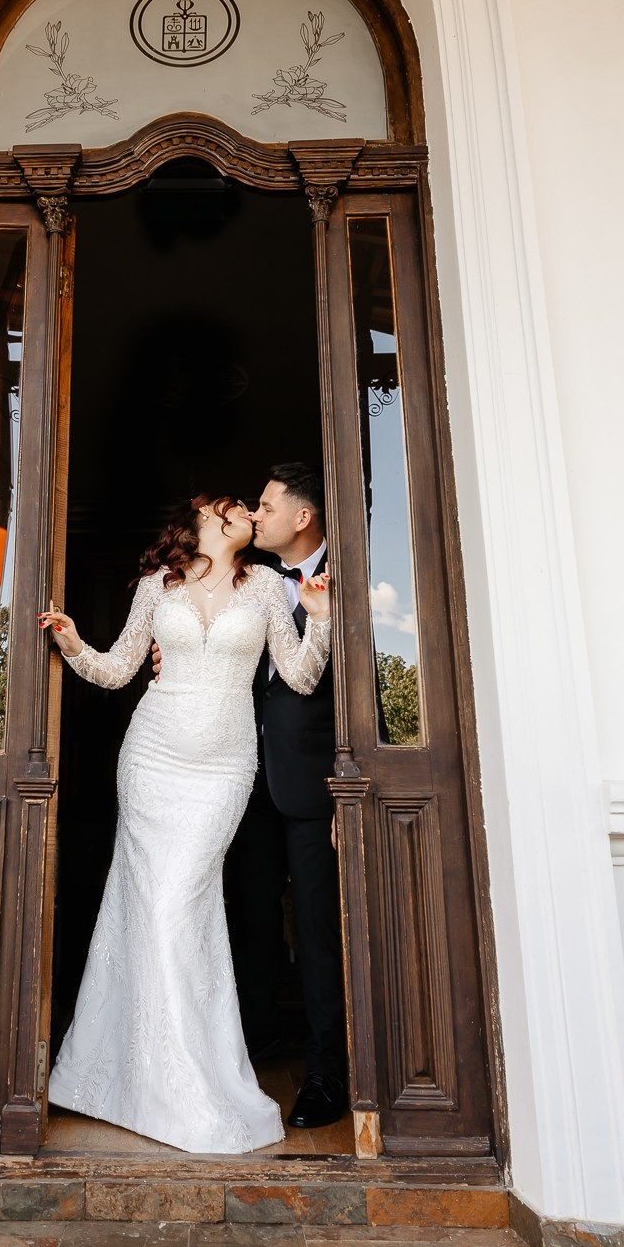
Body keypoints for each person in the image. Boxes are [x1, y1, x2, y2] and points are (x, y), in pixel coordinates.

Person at [36, 493, 332, 1154]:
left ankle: (193, 1076)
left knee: (179, 904)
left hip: (223, 769)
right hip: (151, 758)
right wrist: (73, 641)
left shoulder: (262, 587)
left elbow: (303, 676)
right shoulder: (155, 585)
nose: (240, 513)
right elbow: (117, 668)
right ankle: (136, 1076)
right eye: (227, 505)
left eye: (243, 506)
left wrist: (321, 619)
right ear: (197, 521)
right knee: (150, 908)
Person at [231, 464, 349, 1131]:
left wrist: (346, 795)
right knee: (251, 923)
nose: (257, 513)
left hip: (314, 794)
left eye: (266, 503)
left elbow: (357, 696)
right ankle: (256, 1043)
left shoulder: (352, 577)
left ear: (302, 517)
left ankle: (327, 1071)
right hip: (250, 784)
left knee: (317, 929)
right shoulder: (252, 583)